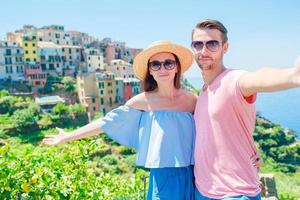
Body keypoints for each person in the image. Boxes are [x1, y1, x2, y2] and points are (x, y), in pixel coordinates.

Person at [42, 40, 197, 200]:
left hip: (194, 174)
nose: (162, 68)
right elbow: (106, 123)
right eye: (155, 64)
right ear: (150, 71)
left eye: (168, 63)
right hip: (164, 176)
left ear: (177, 67)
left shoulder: (192, 100)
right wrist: (66, 136)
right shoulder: (142, 101)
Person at [191, 19, 300, 200]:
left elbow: (257, 78)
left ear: (225, 47)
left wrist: (293, 76)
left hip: (235, 194)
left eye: (212, 44)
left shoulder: (234, 80)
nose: (204, 51)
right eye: (198, 44)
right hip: (203, 191)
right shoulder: (203, 92)